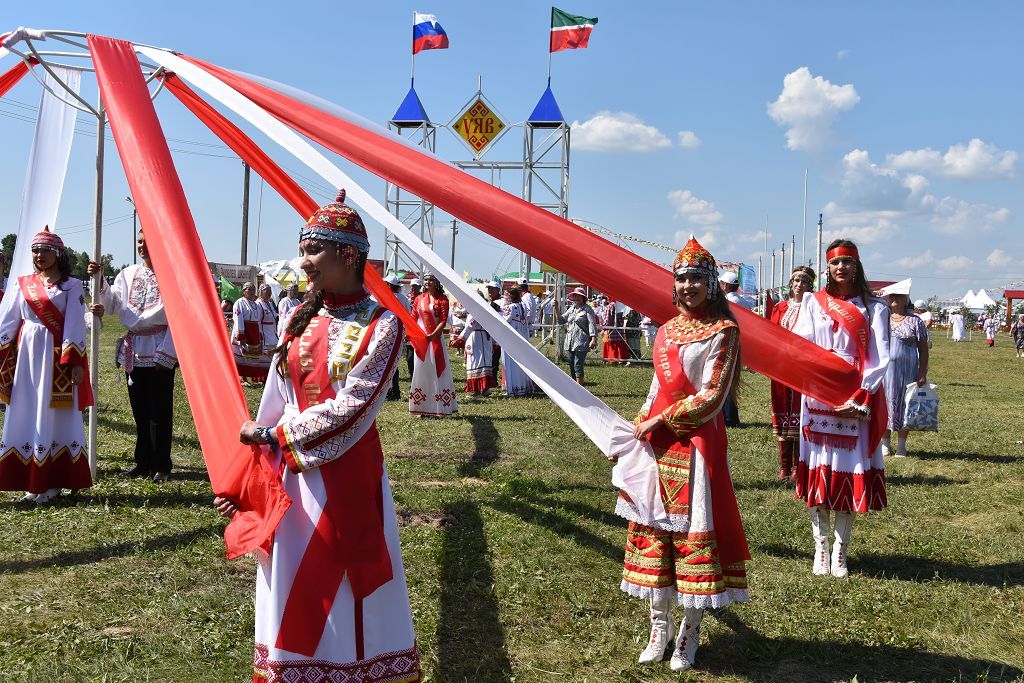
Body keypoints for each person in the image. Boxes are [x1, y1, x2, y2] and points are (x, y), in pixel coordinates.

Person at [214, 190, 420, 681]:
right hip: (290, 471)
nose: (302, 262)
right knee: (294, 582)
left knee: (346, 584)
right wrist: (250, 475)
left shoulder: (384, 325)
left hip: (347, 472)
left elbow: (354, 408)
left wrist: (274, 436)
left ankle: (356, 668)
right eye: (302, 250)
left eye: (313, 251)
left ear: (348, 255)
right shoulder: (295, 316)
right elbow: (274, 396)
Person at [624, 236, 749, 673]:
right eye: (681, 278)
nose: (688, 285)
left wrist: (659, 421)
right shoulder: (665, 331)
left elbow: (713, 395)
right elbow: (656, 388)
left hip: (696, 445)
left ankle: (688, 636)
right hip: (657, 448)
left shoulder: (725, 331)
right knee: (655, 536)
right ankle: (659, 628)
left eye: (696, 278)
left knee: (692, 535)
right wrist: (637, 427)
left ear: (711, 284)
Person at [792, 239, 889, 579]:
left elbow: (879, 355)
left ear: (857, 266)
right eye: (835, 263)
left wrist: (864, 393)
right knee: (820, 472)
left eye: (848, 262)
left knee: (849, 471)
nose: (841, 268)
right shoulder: (813, 303)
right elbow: (802, 345)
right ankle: (820, 548)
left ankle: (840, 551)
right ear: (827, 268)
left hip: (855, 396)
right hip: (818, 394)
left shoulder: (873, 307)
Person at [0, 227, 93, 505]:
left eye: (45, 250)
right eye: (36, 250)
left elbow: (75, 324)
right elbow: (9, 322)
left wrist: (74, 363)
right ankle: (30, 479)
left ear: (57, 254)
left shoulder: (71, 285)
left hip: (56, 361)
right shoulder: (22, 283)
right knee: (26, 409)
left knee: (55, 415)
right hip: (27, 359)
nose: (39, 255)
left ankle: (52, 481)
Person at [87, 235, 177, 482]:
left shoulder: (171, 274)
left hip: (159, 345)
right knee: (139, 409)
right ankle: (143, 461)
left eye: (147, 240)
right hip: (134, 348)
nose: (142, 245)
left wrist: (167, 352)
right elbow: (114, 302)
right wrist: (99, 279)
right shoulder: (127, 274)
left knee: (159, 410)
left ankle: (161, 464)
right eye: (139, 241)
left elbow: (178, 316)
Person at [769, 266, 815, 480]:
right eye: (796, 281)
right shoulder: (779, 308)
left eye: (804, 281)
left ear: (810, 285)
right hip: (781, 366)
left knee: (799, 412)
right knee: (782, 411)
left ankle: (797, 465)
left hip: (803, 366)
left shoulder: (813, 307)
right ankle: (784, 465)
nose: (799, 285)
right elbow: (770, 333)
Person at [881, 291, 929, 458]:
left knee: (905, 405)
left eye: (899, 296)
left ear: (906, 299)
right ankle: (885, 444)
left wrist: (922, 373)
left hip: (908, 371)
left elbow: (923, 349)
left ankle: (901, 446)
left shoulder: (916, 321)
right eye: (892, 296)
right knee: (883, 405)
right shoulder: (882, 319)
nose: (894, 299)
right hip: (885, 372)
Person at [409, 274, 458, 416]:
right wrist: (413, 334)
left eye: (430, 280)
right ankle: (422, 407)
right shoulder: (419, 299)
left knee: (437, 369)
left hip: (435, 339)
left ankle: (439, 407)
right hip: (422, 340)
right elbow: (413, 318)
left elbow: (443, 321)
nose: (427, 282)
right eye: (425, 280)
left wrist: (433, 335)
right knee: (421, 370)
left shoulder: (442, 299)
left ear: (436, 283)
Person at [719, 272, 750, 428]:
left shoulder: (724, 303)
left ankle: (727, 417)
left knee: (723, 380)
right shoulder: (745, 302)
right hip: (740, 343)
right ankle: (730, 416)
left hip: (727, 343)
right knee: (732, 381)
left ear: (724, 285)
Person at [455, 292, 496, 397]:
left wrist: (460, 339)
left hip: (476, 339)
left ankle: (476, 390)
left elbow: (469, 326)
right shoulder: (487, 310)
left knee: (475, 363)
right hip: (485, 339)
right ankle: (485, 389)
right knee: (484, 363)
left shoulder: (475, 311)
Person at [554, 287, 597, 384]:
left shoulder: (587, 309)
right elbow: (561, 320)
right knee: (571, 364)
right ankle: (575, 385)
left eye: (578, 296)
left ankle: (580, 387)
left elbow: (592, 324)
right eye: (575, 295)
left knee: (578, 364)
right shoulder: (571, 309)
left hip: (582, 341)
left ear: (583, 298)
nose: (576, 297)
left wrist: (593, 339)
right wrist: (556, 307)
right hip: (569, 341)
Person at [232, 283, 270, 383]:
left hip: (254, 332)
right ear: (244, 291)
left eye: (253, 289)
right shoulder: (239, 303)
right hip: (244, 331)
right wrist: (241, 334)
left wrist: (260, 333)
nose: (252, 291)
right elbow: (238, 318)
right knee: (241, 355)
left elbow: (258, 321)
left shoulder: (256, 304)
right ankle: (241, 378)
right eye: (249, 289)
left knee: (253, 357)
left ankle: (253, 377)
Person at [501, 286, 532, 396]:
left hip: (511, 338)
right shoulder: (521, 305)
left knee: (511, 363)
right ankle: (521, 386)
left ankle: (514, 388)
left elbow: (502, 320)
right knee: (519, 362)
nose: (504, 297)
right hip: (520, 336)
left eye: (506, 295)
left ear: (511, 296)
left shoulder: (511, 307)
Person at [383, 274, 410, 401]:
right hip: (400, 332)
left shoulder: (384, 297)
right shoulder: (404, 299)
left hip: (386, 333)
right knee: (394, 363)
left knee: (387, 363)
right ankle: (395, 391)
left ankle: (391, 392)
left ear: (388, 285)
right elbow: (409, 315)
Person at [256, 283, 279, 364]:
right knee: (266, 358)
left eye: (270, 291)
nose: (269, 293)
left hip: (272, 332)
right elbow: (258, 321)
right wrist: (260, 335)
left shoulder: (269, 303)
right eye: (267, 291)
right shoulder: (258, 304)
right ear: (261, 292)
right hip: (265, 334)